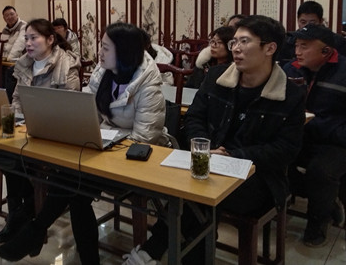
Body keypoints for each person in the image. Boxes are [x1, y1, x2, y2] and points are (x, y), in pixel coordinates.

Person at [123, 15, 305, 265]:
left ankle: (151, 251)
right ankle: (168, 254)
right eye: (234, 42)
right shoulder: (217, 77)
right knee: (181, 187)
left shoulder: (290, 95)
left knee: (197, 198)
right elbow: (194, 118)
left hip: (257, 176)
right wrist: (203, 147)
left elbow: (285, 149)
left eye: (244, 41)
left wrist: (232, 156)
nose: (236, 48)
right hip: (207, 160)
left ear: (270, 48)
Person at [0, 22, 169, 264]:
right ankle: (50, 238)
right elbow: (86, 109)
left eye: (106, 48)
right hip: (104, 146)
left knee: (73, 183)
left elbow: (144, 138)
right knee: (74, 188)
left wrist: (101, 144)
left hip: (136, 158)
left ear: (124, 52)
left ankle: (35, 230)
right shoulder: (103, 71)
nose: (99, 52)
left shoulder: (148, 82)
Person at [0, 19, 81, 253]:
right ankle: (20, 213)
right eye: (26, 38)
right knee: (6, 157)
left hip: (55, 135)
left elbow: (68, 108)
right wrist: (19, 119)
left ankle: (22, 215)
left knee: (19, 161)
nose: (28, 43)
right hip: (28, 130)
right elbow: (17, 99)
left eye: (34, 38)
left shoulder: (66, 66)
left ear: (50, 39)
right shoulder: (24, 64)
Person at [282, 24, 346, 247]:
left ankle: (318, 222)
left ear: (326, 51)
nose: (297, 51)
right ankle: (327, 200)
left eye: (304, 46)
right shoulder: (291, 69)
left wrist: (320, 126)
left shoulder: (343, 72)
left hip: (334, 141)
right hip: (299, 136)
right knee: (273, 159)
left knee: (321, 172)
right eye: (296, 45)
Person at [279, 1, 346, 65]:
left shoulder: (337, 42)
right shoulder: (288, 42)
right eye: (303, 22)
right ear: (298, 21)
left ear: (321, 21)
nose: (307, 26)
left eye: (312, 23)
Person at [0, 6, 26, 100]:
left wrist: (8, 60)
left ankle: (9, 99)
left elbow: (19, 46)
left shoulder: (24, 26)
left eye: (12, 14)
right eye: (6, 15)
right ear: (4, 18)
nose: (10, 17)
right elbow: (1, 47)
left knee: (9, 71)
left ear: (17, 14)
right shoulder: (5, 30)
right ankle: (2, 94)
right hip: (6, 61)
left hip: (19, 60)